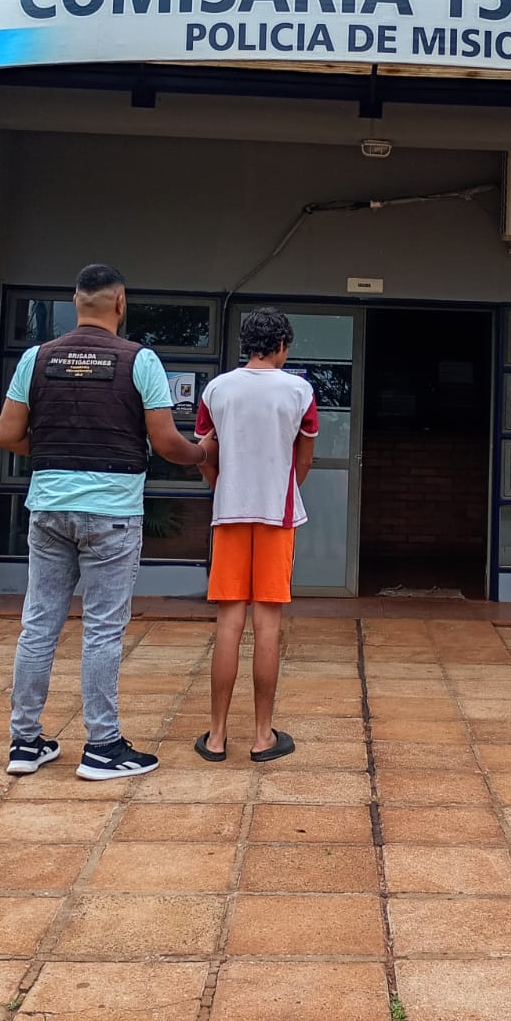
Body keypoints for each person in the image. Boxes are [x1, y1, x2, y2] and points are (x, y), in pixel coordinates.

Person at [0, 264, 214, 780]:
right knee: (102, 631)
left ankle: (25, 743)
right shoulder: (140, 360)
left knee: (38, 625)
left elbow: (7, 435)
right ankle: (102, 747)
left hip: (48, 510)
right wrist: (201, 452)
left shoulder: (36, 358)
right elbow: (165, 442)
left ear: (75, 301)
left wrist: (54, 454)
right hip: (112, 515)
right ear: (120, 303)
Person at [193, 308, 318, 763]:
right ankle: (263, 735)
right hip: (276, 517)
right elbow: (304, 457)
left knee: (229, 624)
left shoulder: (216, 389)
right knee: (268, 625)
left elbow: (205, 452)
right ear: (282, 344)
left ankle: (216, 737)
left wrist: (223, 487)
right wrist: (282, 490)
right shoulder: (300, 391)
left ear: (247, 344)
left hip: (229, 514)